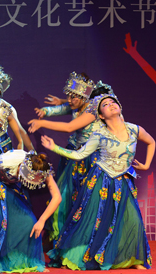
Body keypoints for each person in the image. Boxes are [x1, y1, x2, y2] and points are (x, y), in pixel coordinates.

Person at [42, 93, 154, 270]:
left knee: (132, 221)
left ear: (120, 107)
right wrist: (54, 147)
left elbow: (151, 142)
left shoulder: (134, 129)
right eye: (105, 104)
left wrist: (146, 165)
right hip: (101, 180)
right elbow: (79, 154)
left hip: (124, 182)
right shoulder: (99, 134)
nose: (111, 104)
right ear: (101, 115)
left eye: (113, 102)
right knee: (93, 221)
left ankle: (133, 259)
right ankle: (78, 257)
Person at [28, 79, 111, 241]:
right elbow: (61, 108)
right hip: (76, 157)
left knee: (88, 198)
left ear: (85, 97)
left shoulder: (93, 109)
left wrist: (42, 123)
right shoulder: (76, 105)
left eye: (74, 97)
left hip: (93, 159)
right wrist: (45, 111)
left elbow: (69, 127)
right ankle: (61, 237)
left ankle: (88, 239)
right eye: (68, 96)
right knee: (66, 195)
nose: (70, 100)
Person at [0, 149, 61, 273]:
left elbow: (57, 196)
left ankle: (18, 262)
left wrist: (42, 220)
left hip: (10, 188)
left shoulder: (42, 169)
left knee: (29, 222)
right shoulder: (10, 160)